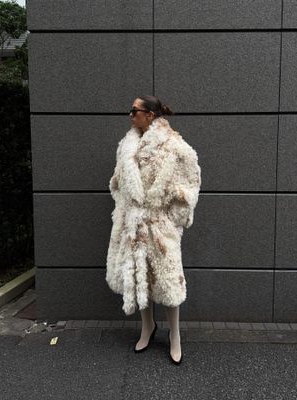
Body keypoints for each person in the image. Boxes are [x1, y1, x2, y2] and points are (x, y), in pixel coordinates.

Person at [106, 95, 201, 365]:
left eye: (134, 110)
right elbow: (117, 182)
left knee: (169, 281)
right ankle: (148, 327)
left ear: (150, 115)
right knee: (140, 277)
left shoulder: (174, 146)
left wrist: (171, 217)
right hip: (133, 225)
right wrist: (124, 210)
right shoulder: (126, 145)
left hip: (160, 227)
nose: (130, 115)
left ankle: (175, 335)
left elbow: (190, 184)